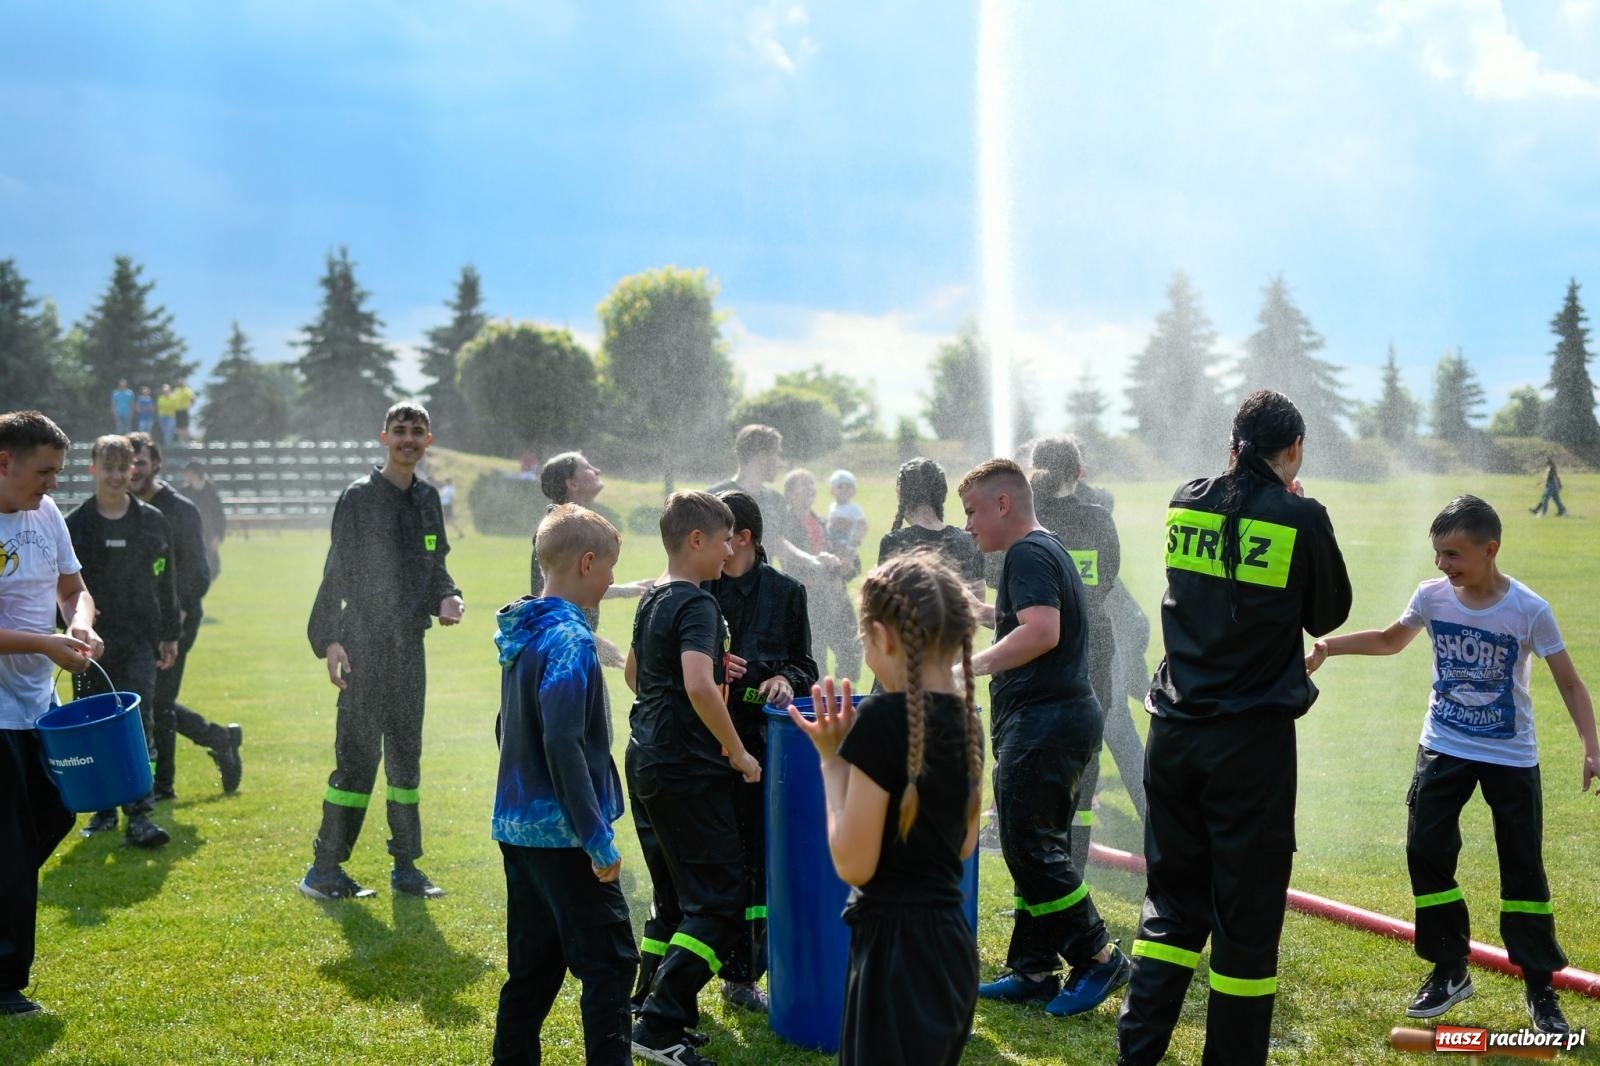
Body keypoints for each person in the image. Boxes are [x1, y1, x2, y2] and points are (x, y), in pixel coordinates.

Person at [1117, 390, 1351, 1066]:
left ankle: (1137, 1053)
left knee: (1170, 906)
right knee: (1245, 925)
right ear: (1294, 450)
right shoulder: (1299, 516)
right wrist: (1305, 509)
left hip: (1175, 732)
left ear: (1232, 442)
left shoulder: (1185, 499)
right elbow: (1328, 613)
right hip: (1249, 744)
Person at [1306, 494, 1597, 1036]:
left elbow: (1571, 682)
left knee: (1523, 867)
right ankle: (1449, 967)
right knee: (1425, 848)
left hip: (1510, 754)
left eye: (1454, 554)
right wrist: (1328, 646)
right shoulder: (1433, 597)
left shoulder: (1529, 610)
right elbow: (1393, 640)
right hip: (1443, 744)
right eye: (1437, 553)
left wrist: (1592, 746)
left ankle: (1540, 990)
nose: (1442, 564)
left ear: (1491, 550)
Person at [786, 553, 984, 1066]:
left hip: (895, 955)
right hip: (951, 947)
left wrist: (832, 761)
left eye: (863, 639)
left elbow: (854, 864)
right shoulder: (967, 719)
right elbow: (963, 846)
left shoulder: (881, 719)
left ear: (884, 636)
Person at [960, 458, 1131, 1018]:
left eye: (972, 512)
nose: (968, 526)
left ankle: (1099, 956)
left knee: (1030, 845)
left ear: (1003, 504)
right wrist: (980, 611)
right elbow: (1027, 619)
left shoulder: (1028, 552)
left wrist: (969, 668)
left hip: (1046, 721)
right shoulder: (1044, 547)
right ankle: (1033, 969)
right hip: (1057, 719)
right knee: (1036, 845)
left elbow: (1041, 632)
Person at [299, 401, 465, 901]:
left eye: (417, 432)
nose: (408, 439)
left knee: (406, 758)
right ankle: (324, 869)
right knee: (357, 759)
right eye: (400, 431)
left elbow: (437, 564)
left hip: (409, 646)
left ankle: (407, 867)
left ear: (428, 440)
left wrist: (449, 595)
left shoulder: (428, 499)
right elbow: (337, 569)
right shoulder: (357, 498)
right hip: (363, 644)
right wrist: (329, 638)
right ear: (384, 437)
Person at [491, 504, 637, 1065]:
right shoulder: (572, 642)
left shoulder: (522, 631)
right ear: (586, 562)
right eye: (609, 569)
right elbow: (561, 742)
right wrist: (595, 837)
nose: (610, 582)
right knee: (611, 964)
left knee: (533, 969)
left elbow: (505, 726)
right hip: (567, 836)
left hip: (517, 828)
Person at [625, 491, 759, 1066]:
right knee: (721, 903)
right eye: (725, 539)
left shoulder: (654, 599)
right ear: (697, 541)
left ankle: (649, 1006)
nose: (731, 550)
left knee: (673, 897)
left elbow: (637, 674)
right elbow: (700, 687)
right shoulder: (700, 606)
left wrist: (676, 697)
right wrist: (737, 751)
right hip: (687, 769)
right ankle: (657, 1027)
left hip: (646, 757)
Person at [0, 410, 103, 1017]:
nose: (52, 485)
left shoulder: (45, 514)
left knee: (59, 811)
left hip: (38, 704)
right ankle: (6, 983)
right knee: (11, 845)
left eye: (58, 472)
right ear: (4, 461)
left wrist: (79, 625)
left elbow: (73, 588)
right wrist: (43, 642)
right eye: (44, 472)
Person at [701, 490, 817, 1014]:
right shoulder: (697, 587)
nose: (708, 545)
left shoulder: (787, 592)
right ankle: (683, 967)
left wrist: (784, 681)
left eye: (720, 535)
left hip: (760, 750)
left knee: (755, 860)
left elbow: (805, 664)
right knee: (710, 860)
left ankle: (743, 974)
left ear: (743, 538)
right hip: (703, 745)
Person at [1029, 435, 1139, 871]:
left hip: (1036, 667)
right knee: (1084, 777)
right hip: (1091, 659)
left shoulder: (1027, 521)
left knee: (1037, 778)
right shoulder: (1098, 519)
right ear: (1080, 472)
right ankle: (1072, 882)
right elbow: (1106, 579)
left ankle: (1037, 889)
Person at [65, 434, 179, 848]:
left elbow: (166, 580)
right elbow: (61, 587)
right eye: (107, 467)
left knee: (137, 719)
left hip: (138, 639)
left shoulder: (152, 521)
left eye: (122, 467)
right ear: (92, 469)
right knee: (93, 723)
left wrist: (170, 633)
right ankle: (102, 811)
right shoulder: (76, 524)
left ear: (134, 469)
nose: (115, 475)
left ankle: (140, 814)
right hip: (89, 645)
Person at [128, 433, 241, 799]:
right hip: (135, 621)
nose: (133, 470)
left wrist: (173, 618)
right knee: (144, 697)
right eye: (127, 463)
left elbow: (199, 573)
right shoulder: (119, 509)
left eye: (140, 462)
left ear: (156, 463)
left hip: (177, 621)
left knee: (157, 700)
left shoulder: (179, 510)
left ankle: (163, 786)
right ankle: (220, 738)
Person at [528, 452, 648, 667]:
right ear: (572, 484)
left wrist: (627, 590)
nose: (597, 471)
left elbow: (575, 584)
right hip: (565, 655)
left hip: (575, 649)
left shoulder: (573, 529)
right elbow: (546, 600)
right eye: (588, 468)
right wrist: (592, 642)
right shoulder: (556, 533)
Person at [708, 424, 838, 576]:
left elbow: (777, 543)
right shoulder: (715, 498)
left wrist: (813, 560)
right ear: (761, 456)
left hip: (758, 592)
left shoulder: (776, 500)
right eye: (777, 454)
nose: (780, 462)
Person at [784, 469, 861, 682]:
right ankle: (823, 702)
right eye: (804, 484)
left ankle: (847, 693)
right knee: (816, 656)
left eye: (812, 484)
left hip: (833, 597)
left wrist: (848, 564)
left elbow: (841, 556)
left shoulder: (822, 521)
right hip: (809, 600)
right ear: (789, 493)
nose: (811, 488)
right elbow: (790, 560)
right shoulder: (786, 525)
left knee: (850, 647)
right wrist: (819, 561)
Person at [877, 457, 984, 595]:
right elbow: (979, 607)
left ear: (902, 495)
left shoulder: (894, 543)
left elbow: (883, 607)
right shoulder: (969, 542)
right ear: (941, 494)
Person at [181, 461, 226, 581]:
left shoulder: (211, 491)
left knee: (212, 564)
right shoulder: (184, 492)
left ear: (196, 474)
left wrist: (219, 535)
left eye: (188, 473)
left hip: (209, 532)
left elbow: (219, 515)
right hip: (191, 533)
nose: (185, 476)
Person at [826, 469, 869, 559]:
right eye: (840, 486)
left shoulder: (853, 508)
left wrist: (854, 542)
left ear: (854, 491)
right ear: (832, 490)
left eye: (848, 486)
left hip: (848, 549)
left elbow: (863, 525)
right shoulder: (832, 507)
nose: (844, 489)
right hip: (834, 547)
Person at [170, 379, 195, 444]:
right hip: (177, 411)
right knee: (179, 428)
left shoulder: (187, 390)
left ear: (184, 383)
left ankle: (186, 442)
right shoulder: (176, 390)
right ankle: (181, 442)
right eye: (179, 383)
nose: (180, 384)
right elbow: (172, 399)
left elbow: (193, 398)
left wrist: (190, 405)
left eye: (181, 383)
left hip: (184, 410)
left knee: (185, 427)